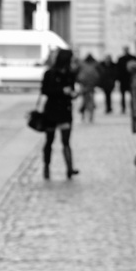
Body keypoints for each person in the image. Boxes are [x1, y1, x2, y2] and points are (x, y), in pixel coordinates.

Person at [40, 48, 79, 180]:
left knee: (66, 141)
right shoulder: (49, 74)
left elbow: (72, 90)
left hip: (65, 111)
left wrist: (73, 94)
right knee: (49, 141)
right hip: (51, 112)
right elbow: (45, 91)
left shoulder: (70, 74)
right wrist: (62, 90)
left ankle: (69, 168)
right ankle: (46, 166)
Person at [76, 54, 101, 124]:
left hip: (84, 85)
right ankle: (90, 116)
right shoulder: (94, 65)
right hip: (91, 85)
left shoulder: (82, 64)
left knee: (84, 101)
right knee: (90, 101)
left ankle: (84, 116)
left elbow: (77, 73)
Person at [115, 46, 136, 114]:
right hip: (123, 79)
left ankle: (133, 107)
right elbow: (118, 69)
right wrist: (118, 78)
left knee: (132, 95)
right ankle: (123, 108)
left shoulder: (133, 58)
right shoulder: (121, 59)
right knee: (123, 95)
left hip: (131, 79)